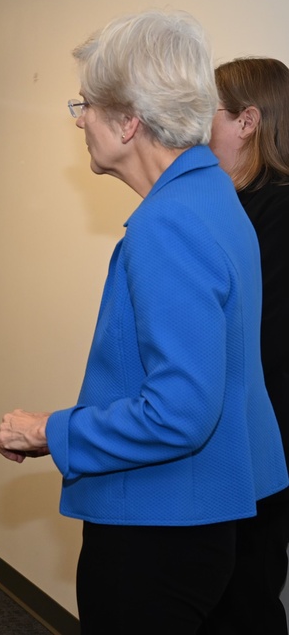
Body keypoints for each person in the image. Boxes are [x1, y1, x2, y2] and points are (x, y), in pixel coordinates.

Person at [0, 11, 288, 634]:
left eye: (87, 104)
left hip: (158, 526)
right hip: (210, 512)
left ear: (129, 122)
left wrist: (51, 431)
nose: (79, 119)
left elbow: (181, 410)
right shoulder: (215, 195)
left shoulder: (167, 225)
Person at [198, 58, 289, 634]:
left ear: (248, 121)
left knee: (247, 596)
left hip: (260, 437)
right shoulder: (232, 205)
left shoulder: (277, 209)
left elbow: (263, 341)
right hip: (233, 432)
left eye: (212, 112)